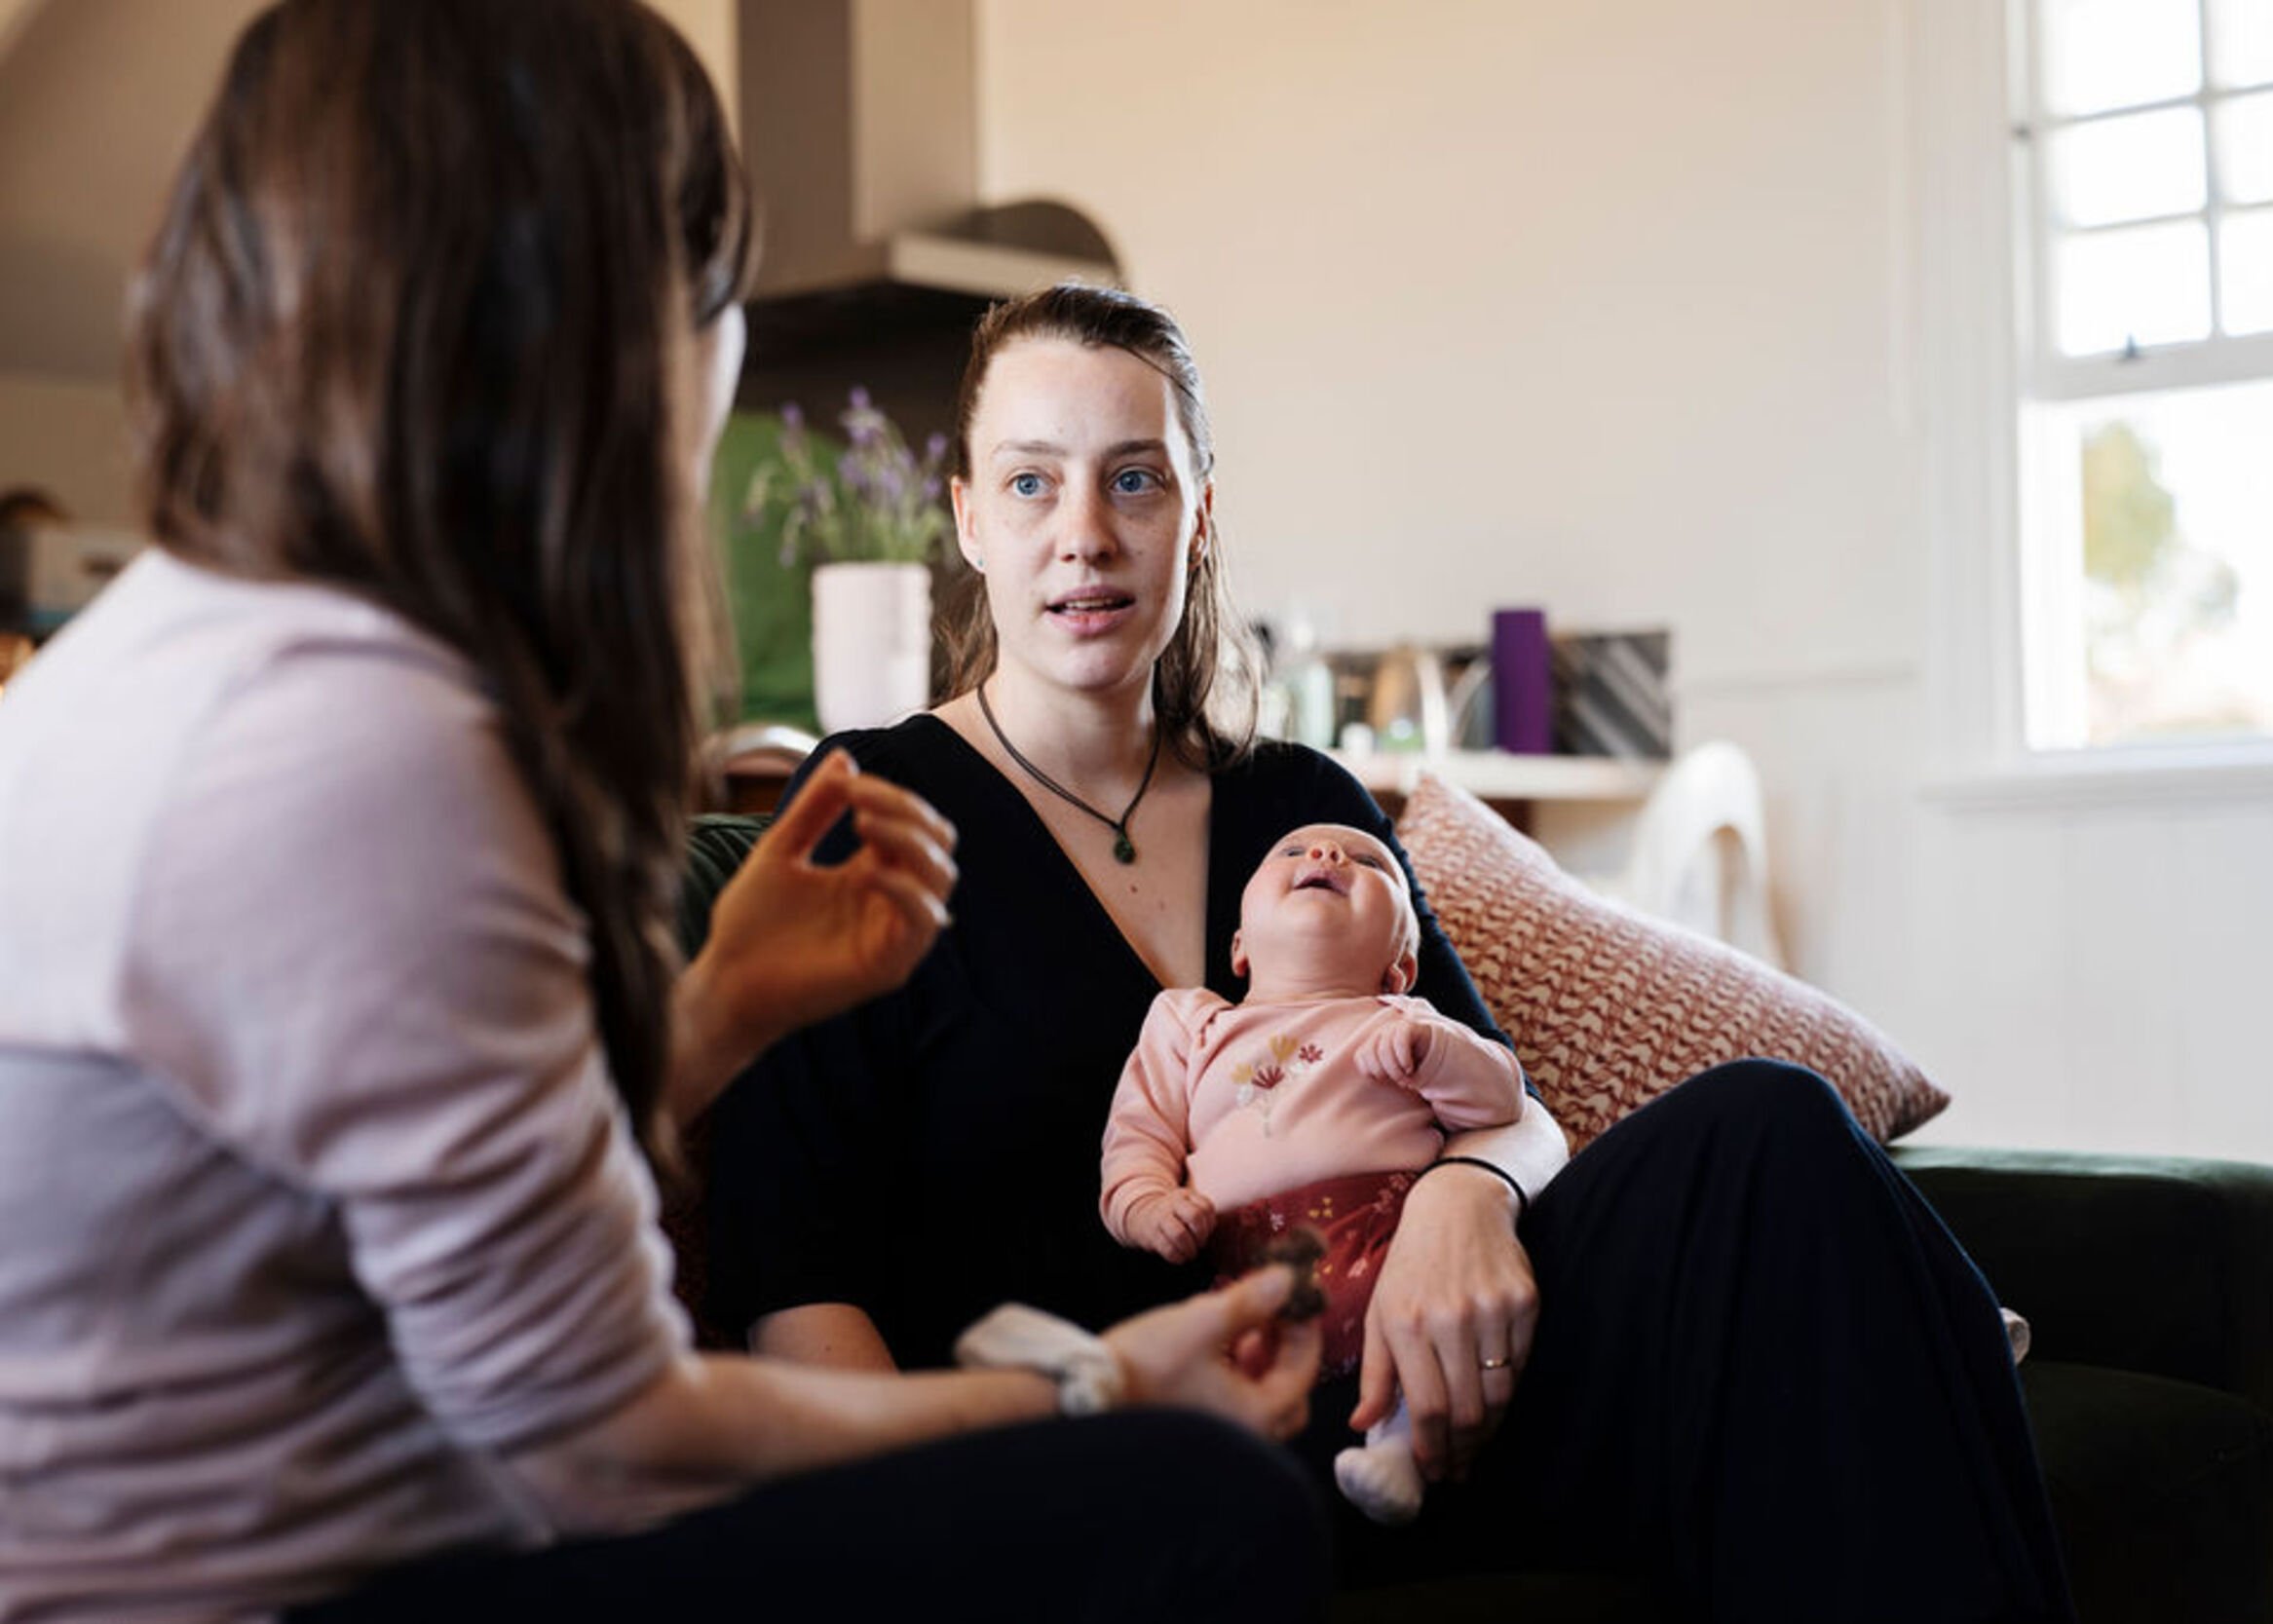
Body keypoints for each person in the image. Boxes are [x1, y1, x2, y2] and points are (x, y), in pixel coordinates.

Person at [0, 6, 1332, 1621]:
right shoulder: (356, 747)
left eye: (1136, 478)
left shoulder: (195, 649)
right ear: (618, 325)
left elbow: (419, 1227)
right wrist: (1099, 1392)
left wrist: (712, 1011)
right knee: (1191, 1503)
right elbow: (607, 1434)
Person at [710, 280, 2078, 1620]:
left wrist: (1460, 1200)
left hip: (1426, 1386)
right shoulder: (867, 807)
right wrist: (924, 1532)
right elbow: (793, 1271)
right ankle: (1949, 1337)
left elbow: (1510, 1110)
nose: (1084, 534)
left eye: (1135, 480)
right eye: (1029, 483)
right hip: (1146, 1452)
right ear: (966, 520)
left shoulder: (1298, 800)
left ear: (1196, 517)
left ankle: (1923, 1337)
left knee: (1766, 1127)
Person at [1101, 819, 1527, 1524]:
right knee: (1197, 1376)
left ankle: (1395, 1451)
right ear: (1239, 947)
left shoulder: (1405, 1020)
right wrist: (1147, 1203)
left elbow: (1502, 1097)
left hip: (1389, 1244)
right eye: (1290, 851)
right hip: (1251, 1269)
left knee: (1413, 1341)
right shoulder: (1189, 1024)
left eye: (1368, 861)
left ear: (1400, 965)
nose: (1325, 855)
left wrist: (1436, 1052)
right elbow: (1137, 1135)